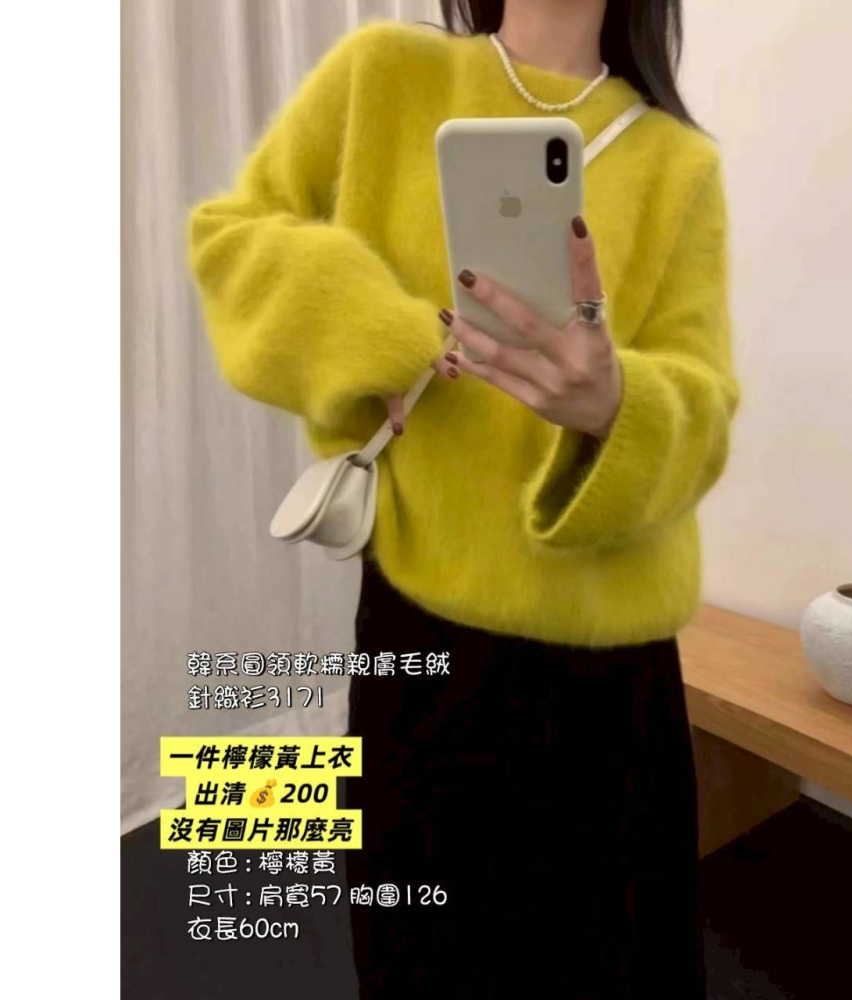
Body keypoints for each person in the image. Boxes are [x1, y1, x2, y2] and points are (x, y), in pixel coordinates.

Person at [188, 1, 739, 996]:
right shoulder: (382, 77)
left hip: (610, 679)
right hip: (426, 652)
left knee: (612, 969)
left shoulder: (677, 163)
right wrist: (386, 334)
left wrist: (616, 404)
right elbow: (231, 239)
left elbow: (705, 408)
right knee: (423, 962)